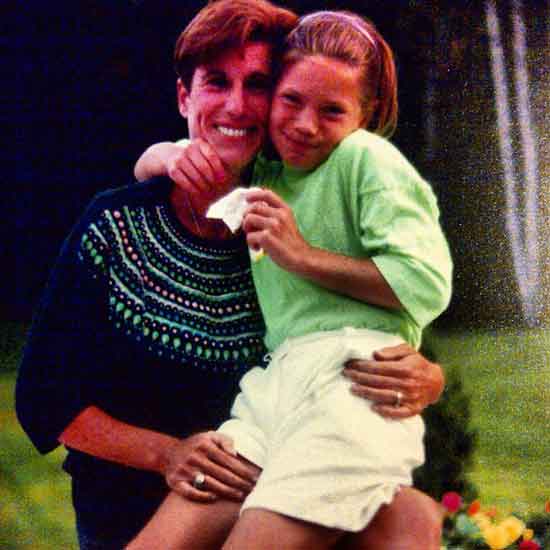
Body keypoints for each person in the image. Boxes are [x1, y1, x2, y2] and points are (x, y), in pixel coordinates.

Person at [16, 2, 444, 549]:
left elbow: (360, 321)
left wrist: (426, 378)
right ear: (183, 97)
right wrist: (168, 452)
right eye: (217, 82)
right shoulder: (118, 225)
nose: (237, 105)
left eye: (259, 84)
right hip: (143, 504)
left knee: (413, 517)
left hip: (284, 481)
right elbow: (44, 398)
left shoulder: (285, 224)